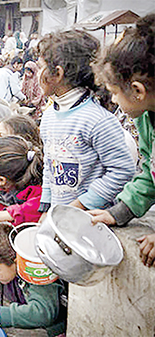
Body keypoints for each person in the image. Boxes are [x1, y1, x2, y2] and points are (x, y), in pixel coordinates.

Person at [36, 30, 135, 214]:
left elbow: (122, 171)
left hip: (89, 219)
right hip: (61, 216)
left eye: (40, 66)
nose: (36, 73)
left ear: (57, 74)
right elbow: (50, 166)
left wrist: (80, 205)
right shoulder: (49, 116)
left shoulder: (97, 120)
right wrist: (46, 206)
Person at [87, 14, 155, 267]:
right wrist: (119, 213)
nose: (113, 101)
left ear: (138, 91)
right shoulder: (146, 120)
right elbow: (150, 172)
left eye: (115, 93)